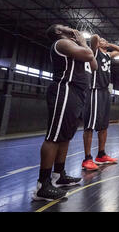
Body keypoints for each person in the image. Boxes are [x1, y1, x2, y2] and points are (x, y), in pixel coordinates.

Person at [33, 24, 98, 201]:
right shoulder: (61, 43)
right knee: (54, 136)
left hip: (77, 93)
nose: (69, 27)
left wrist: (85, 45)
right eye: (64, 26)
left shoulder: (75, 46)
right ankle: (42, 185)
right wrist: (85, 43)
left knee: (65, 136)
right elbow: (89, 55)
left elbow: (94, 65)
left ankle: (59, 175)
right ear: (58, 31)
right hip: (64, 90)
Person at [82, 35, 119, 171]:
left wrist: (108, 44)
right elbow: (93, 39)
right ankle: (87, 158)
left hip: (105, 91)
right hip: (95, 90)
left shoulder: (108, 55)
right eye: (102, 40)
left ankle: (101, 154)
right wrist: (98, 40)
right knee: (89, 125)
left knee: (104, 125)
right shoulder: (94, 52)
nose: (104, 41)